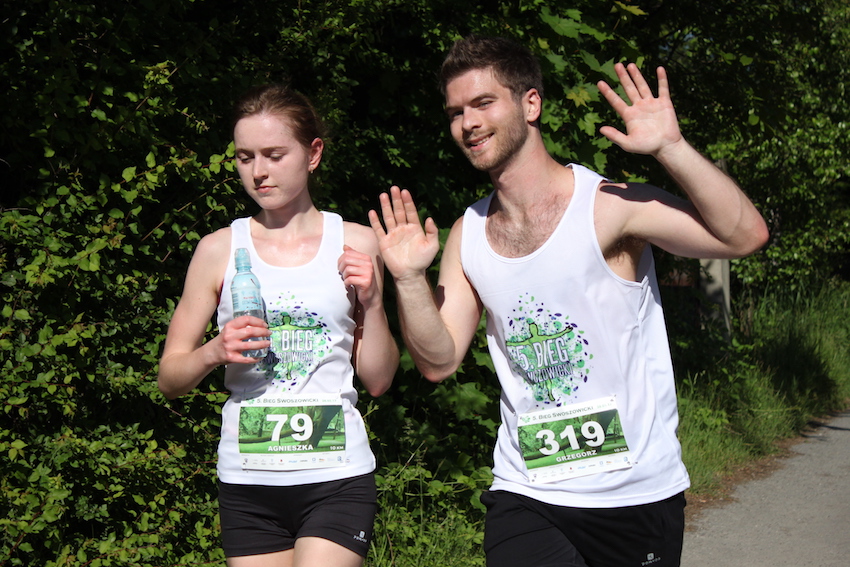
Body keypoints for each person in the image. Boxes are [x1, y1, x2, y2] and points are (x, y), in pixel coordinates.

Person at [369, 35, 769, 567]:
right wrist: (407, 280)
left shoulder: (609, 207)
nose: (467, 123)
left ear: (530, 103)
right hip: (526, 491)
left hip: (634, 494)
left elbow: (744, 237)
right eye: (456, 112)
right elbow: (438, 361)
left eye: (483, 103)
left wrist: (671, 147)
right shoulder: (468, 233)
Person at [158, 84, 399, 567]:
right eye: (245, 157)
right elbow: (170, 378)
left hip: (336, 473)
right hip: (248, 480)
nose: (258, 171)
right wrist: (213, 352)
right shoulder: (217, 249)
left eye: (273, 154)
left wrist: (372, 304)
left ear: (313, 154)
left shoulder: (357, 242)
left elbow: (378, 380)